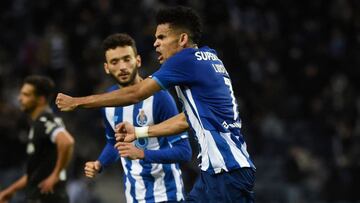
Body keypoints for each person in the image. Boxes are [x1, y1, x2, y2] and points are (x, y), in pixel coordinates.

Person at [56, 6, 255, 202]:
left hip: (226, 172)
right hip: (217, 172)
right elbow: (186, 119)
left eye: (162, 37)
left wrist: (77, 102)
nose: (155, 44)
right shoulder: (208, 58)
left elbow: (136, 93)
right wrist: (140, 132)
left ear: (182, 39)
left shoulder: (184, 61)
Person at [83, 33, 191, 202]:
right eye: (115, 62)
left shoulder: (159, 97)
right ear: (106, 68)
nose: (122, 67)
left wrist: (142, 154)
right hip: (133, 197)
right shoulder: (109, 102)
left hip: (167, 195)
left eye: (127, 59)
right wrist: (100, 163)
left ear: (138, 61)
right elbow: (114, 143)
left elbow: (184, 151)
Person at [0, 75, 74, 203]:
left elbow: (67, 141)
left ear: (41, 100)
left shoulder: (44, 120)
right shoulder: (38, 124)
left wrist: (55, 175)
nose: (20, 99)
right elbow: (35, 172)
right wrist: (10, 190)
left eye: (26, 95)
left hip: (48, 198)